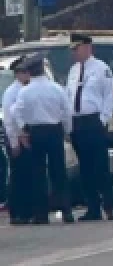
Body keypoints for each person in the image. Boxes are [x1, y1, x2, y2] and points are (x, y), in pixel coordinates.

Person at [11, 54, 74, 225]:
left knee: (38, 173)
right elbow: (67, 112)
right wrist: (67, 131)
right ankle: (66, 210)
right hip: (54, 131)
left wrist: (23, 129)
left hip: (35, 133)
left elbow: (15, 111)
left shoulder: (25, 91)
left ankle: (41, 214)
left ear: (30, 72)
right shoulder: (56, 88)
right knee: (58, 171)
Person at [64, 33, 113, 221]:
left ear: (87, 47)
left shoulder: (102, 69)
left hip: (94, 122)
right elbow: (69, 97)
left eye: (76, 49)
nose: (74, 53)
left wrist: (103, 120)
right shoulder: (72, 71)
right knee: (85, 169)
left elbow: (109, 97)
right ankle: (93, 208)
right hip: (77, 123)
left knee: (100, 167)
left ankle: (109, 206)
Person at [3, 56, 31, 225]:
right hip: (16, 139)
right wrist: (14, 143)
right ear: (18, 74)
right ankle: (17, 212)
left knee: (27, 176)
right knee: (18, 177)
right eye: (24, 72)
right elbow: (9, 120)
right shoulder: (12, 92)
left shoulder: (26, 89)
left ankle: (26, 211)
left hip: (25, 138)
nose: (28, 75)